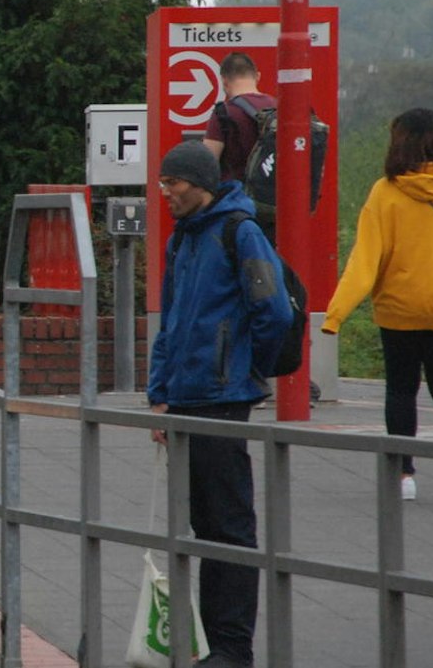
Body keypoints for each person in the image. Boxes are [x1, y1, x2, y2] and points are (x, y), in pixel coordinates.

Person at [148, 139, 294, 668]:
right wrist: (159, 396)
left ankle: (233, 648)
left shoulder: (240, 232)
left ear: (201, 183)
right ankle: (214, 645)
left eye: (174, 182)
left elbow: (273, 311)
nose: (166, 192)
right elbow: (168, 324)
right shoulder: (181, 239)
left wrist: (245, 368)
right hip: (185, 400)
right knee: (203, 526)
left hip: (222, 399)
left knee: (228, 526)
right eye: (163, 182)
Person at [320, 107, 433, 502]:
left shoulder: (386, 193)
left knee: (401, 390)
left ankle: (404, 476)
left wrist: (335, 316)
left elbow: (364, 262)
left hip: (399, 311)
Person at [202, 52, 275, 185]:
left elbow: (207, 164)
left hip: (237, 198)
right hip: (273, 198)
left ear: (224, 80)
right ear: (258, 76)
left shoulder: (224, 112)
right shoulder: (279, 108)